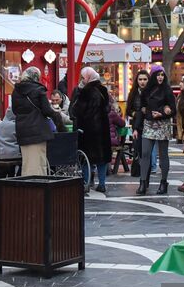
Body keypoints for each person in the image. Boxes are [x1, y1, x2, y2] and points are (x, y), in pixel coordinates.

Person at [11, 67, 67, 176]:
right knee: (38, 163)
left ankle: (27, 188)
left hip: (22, 130)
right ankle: (37, 189)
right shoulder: (38, 90)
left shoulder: (16, 91)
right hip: (37, 131)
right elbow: (46, 110)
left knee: (27, 163)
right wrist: (58, 119)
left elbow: (14, 110)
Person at [70, 67, 113, 195]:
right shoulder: (103, 89)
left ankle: (86, 182)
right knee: (102, 158)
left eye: (83, 77)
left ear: (88, 77)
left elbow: (78, 110)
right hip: (102, 129)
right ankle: (102, 184)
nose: (82, 79)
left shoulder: (85, 91)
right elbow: (107, 108)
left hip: (88, 129)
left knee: (86, 157)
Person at [136, 67, 176, 196]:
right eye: (158, 75)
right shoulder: (146, 91)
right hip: (148, 123)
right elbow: (141, 109)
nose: (160, 77)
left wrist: (162, 114)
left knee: (163, 154)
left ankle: (163, 182)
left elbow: (173, 110)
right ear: (153, 76)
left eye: (162, 75)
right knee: (146, 152)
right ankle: (142, 183)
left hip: (163, 124)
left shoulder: (167, 90)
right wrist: (138, 126)